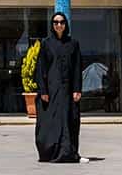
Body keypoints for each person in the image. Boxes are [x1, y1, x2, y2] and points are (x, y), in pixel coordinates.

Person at [35, 12, 85, 163]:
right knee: (51, 122)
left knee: (70, 119)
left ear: (66, 24)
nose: (59, 25)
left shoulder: (73, 44)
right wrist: (43, 90)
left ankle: (69, 153)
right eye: (56, 22)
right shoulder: (46, 44)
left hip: (68, 90)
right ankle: (50, 153)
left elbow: (77, 67)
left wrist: (77, 89)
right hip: (52, 89)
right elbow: (41, 68)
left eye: (62, 22)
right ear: (52, 25)